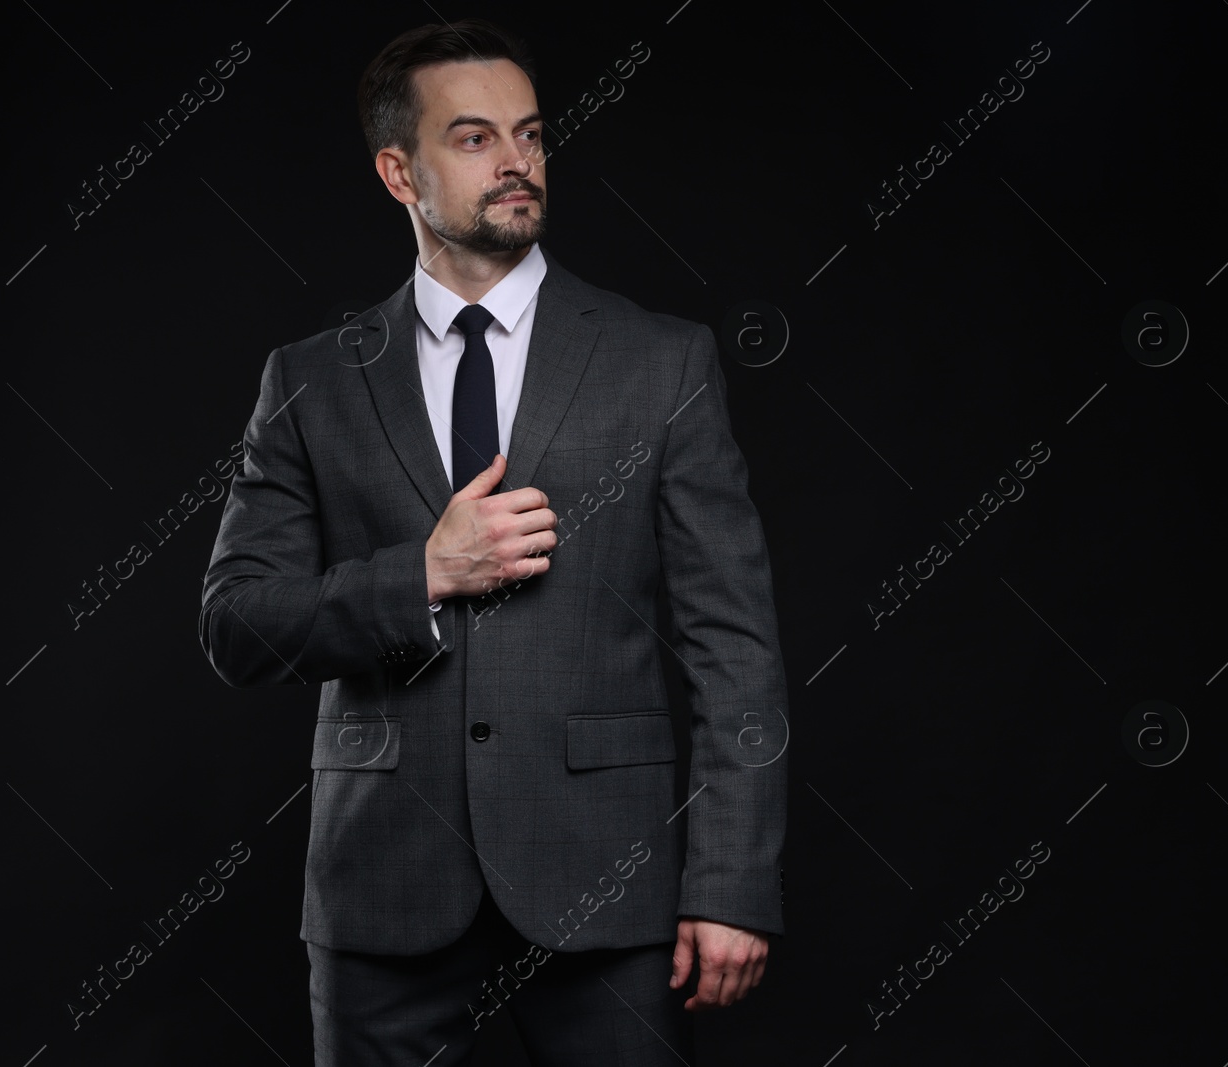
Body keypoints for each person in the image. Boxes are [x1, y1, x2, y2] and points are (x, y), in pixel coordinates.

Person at [199, 18, 788, 1066]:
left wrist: (732, 882)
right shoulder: (310, 381)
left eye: (530, 133)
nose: (517, 161)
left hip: (608, 880)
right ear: (399, 171)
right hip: (380, 887)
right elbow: (238, 623)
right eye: (474, 138)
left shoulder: (662, 363)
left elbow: (732, 648)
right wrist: (421, 573)